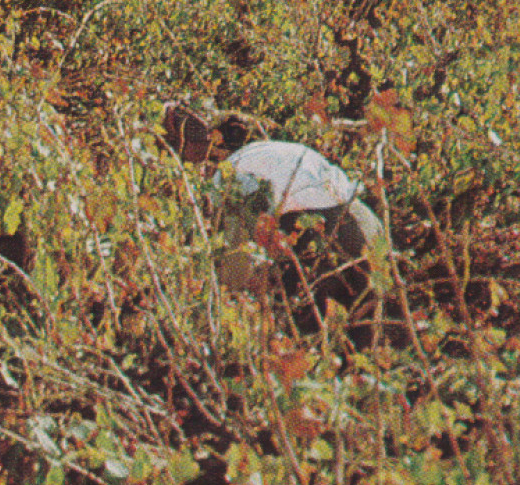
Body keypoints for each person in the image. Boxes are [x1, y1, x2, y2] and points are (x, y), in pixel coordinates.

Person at [160, 103, 387, 324]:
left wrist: (228, 307)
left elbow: (239, 257)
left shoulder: (228, 175)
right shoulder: (268, 151)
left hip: (329, 237)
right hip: (367, 222)